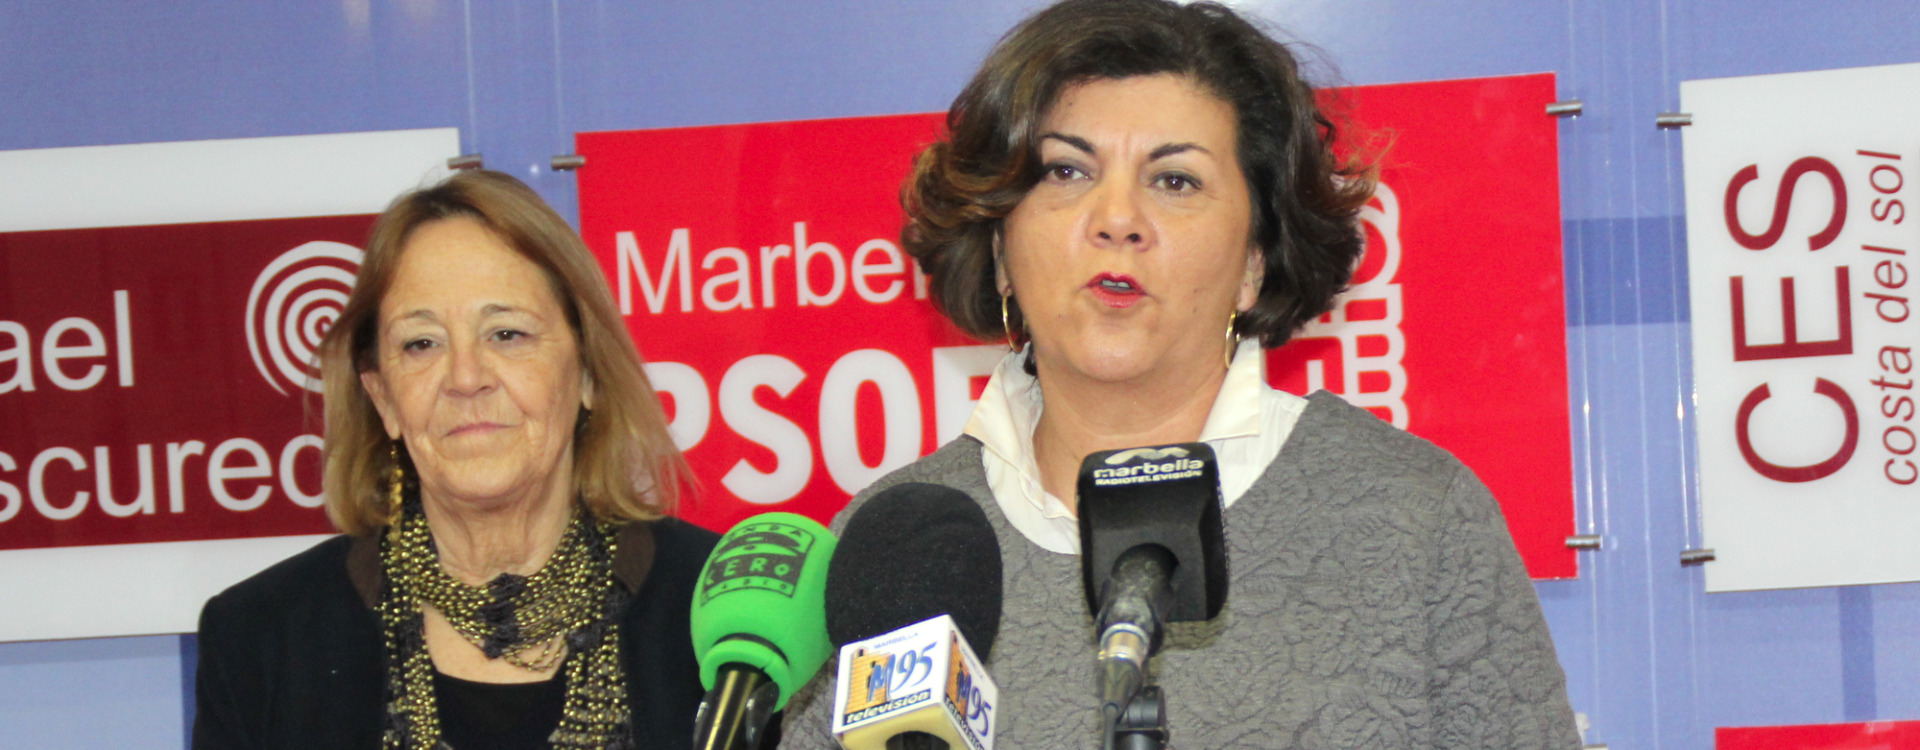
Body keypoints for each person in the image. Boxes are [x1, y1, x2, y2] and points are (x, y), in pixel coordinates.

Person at [783, 0, 1581, 747]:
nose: (1117, 220)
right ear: (999, 247)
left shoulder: (1415, 518)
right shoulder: (896, 551)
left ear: (1255, 262)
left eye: (1175, 180)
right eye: (1067, 171)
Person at [193, 169, 717, 750]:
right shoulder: (262, 637)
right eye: (422, 344)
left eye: (507, 334)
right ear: (383, 397)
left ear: (588, 371)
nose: (466, 378)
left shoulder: (724, 617)